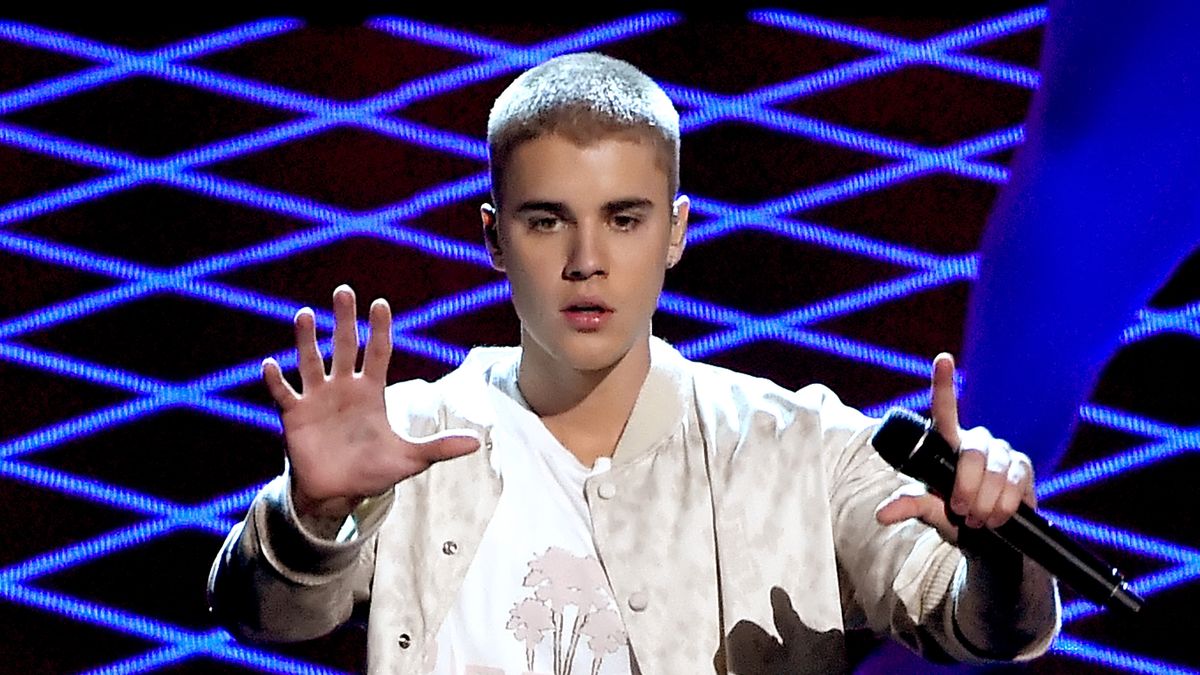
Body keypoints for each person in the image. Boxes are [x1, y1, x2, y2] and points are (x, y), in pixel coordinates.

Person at [207, 52, 1060, 674]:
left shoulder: (802, 449)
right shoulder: (413, 438)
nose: (587, 260)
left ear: (677, 229)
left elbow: (981, 627)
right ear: (493, 237)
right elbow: (269, 617)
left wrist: (1000, 552)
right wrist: (309, 515)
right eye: (546, 220)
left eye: (624, 218)